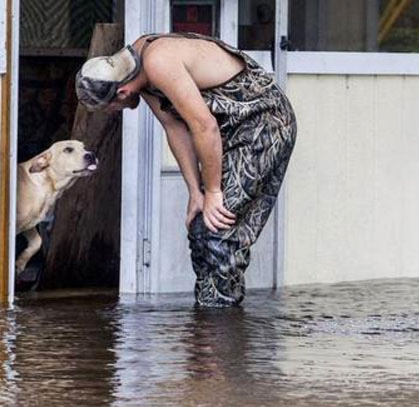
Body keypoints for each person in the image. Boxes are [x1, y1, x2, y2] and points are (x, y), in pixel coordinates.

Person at [75, 32, 297, 307]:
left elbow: (205, 127)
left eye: (112, 109)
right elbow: (174, 126)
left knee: (216, 228)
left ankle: (219, 328)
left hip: (264, 124)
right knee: (198, 226)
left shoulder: (157, 62)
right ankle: (208, 321)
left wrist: (213, 190)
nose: (119, 111)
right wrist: (195, 191)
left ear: (122, 92)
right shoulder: (136, 69)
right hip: (230, 131)